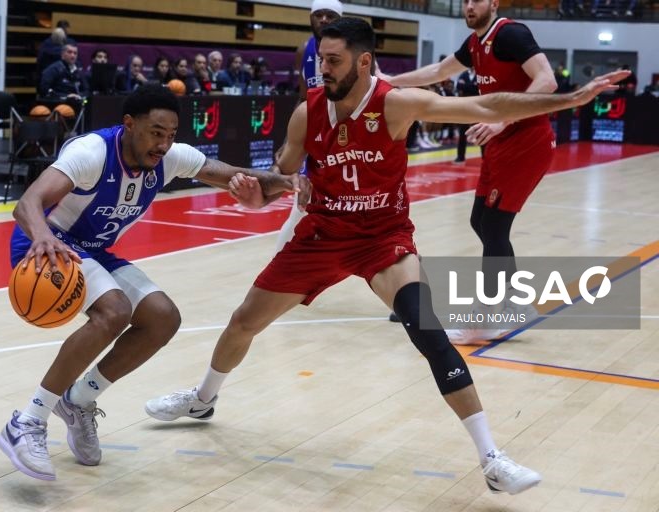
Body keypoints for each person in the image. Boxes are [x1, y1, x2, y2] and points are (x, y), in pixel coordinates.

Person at [143, 17, 627, 495]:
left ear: (364, 61)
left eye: (333, 61)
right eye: (320, 61)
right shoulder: (307, 112)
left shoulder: (395, 104)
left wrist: (569, 98)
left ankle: (492, 458)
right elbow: (284, 176)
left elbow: (485, 102)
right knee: (243, 320)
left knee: (429, 331)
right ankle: (204, 399)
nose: (323, 70)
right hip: (324, 234)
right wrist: (259, 193)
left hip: (382, 238)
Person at [0, 85, 302, 481]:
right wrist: (42, 236)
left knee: (162, 317)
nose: (164, 144)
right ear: (129, 125)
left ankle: (80, 400)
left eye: (171, 135)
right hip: (47, 243)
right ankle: (27, 421)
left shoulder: (170, 158)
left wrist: (277, 181)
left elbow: (233, 177)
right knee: (115, 310)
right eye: (156, 132)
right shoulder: (91, 153)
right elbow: (28, 204)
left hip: (94, 250)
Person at [381, 0, 559, 344]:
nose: (469, 6)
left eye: (476, 0)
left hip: (526, 140)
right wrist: (391, 81)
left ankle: (484, 320)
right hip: (498, 142)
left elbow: (547, 81)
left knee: (494, 225)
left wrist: (502, 119)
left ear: (493, 3)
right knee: (481, 221)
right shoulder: (476, 43)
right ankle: (514, 302)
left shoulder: (511, 34)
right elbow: (438, 72)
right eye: (464, 1)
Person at [274, 0, 343, 254]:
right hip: (316, 141)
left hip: (348, 140)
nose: (323, 19)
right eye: (318, 15)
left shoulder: (354, 49)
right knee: (300, 207)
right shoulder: (304, 50)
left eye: (330, 15)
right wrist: (287, 141)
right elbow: (304, 99)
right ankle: (275, 271)